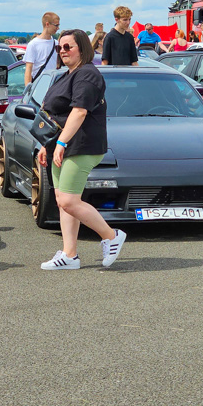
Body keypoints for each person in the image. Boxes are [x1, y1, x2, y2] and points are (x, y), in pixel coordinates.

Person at [37, 29, 125, 270]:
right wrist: (49, 144)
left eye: (69, 47)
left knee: (68, 199)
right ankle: (70, 254)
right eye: (60, 47)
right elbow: (57, 115)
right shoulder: (67, 75)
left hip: (82, 145)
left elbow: (79, 111)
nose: (63, 51)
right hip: (62, 146)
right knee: (63, 200)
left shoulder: (87, 75)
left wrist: (62, 143)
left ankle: (111, 236)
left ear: (83, 48)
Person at [23, 12, 60, 85]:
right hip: (39, 86)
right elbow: (28, 69)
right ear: (47, 24)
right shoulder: (33, 44)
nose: (58, 28)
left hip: (54, 85)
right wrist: (28, 91)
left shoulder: (56, 43)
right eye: (56, 25)